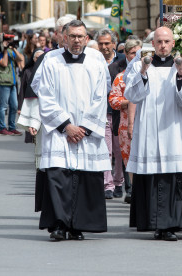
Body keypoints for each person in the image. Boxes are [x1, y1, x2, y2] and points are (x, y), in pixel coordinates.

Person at [31, 20, 110, 241]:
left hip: (86, 132)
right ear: (64, 38)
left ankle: (78, 226)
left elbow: (100, 96)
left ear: (87, 39)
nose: (76, 40)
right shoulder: (50, 60)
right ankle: (59, 225)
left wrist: (83, 128)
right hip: (59, 131)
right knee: (59, 176)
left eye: (80, 36)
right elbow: (44, 94)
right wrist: (67, 126)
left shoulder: (96, 61)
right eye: (72, 36)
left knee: (84, 178)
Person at [124, 28, 182, 241]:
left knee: (174, 177)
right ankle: (154, 222)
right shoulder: (138, 65)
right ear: (152, 44)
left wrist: (181, 74)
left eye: (167, 41)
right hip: (149, 128)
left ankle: (172, 223)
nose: (163, 45)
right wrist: (143, 72)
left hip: (174, 127)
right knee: (153, 177)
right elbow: (132, 95)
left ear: (173, 44)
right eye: (159, 41)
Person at [109, 37, 141, 204]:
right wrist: (129, 102)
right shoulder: (121, 77)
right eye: (132, 53)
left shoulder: (151, 74)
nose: (136, 56)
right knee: (129, 159)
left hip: (145, 124)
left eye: (139, 52)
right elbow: (113, 100)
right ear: (126, 55)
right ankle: (134, 191)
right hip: (125, 124)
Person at [95, 29, 123, 199]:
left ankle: (119, 181)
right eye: (101, 44)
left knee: (119, 150)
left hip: (120, 111)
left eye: (107, 43)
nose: (104, 47)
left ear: (114, 44)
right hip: (102, 111)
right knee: (106, 150)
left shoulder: (121, 61)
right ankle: (108, 185)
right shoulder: (94, 60)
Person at [0, 34, 24, 136]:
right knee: (3, 107)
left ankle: (12, 127)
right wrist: (5, 50)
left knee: (14, 106)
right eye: (5, 41)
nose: (7, 42)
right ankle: (2, 128)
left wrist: (14, 49)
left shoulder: (11, 51)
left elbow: (20, 59)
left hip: (12, 82)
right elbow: (5, 63)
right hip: (3, 82)